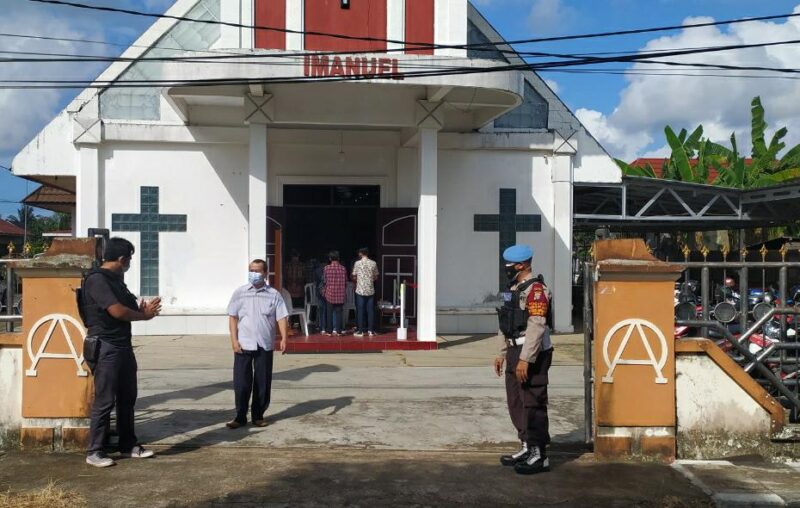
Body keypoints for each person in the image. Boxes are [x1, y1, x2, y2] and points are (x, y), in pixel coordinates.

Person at [80, 237, 162, 468]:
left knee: (127, 398)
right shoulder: (97, 279)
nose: (129, 264)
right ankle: (94, 451)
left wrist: (143, 310)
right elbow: (117, 311)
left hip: (122, 345)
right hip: (106, 345)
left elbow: (128, 308)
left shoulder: (117, 281)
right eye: (129, 259)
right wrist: (143, 316)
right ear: (121, 258)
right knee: (104, 401)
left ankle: (128, 445)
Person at [494, 244, 553, 475]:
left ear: (521, 265)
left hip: (532, 353)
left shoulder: (536, 290)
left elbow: (537, 325)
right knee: (516, 401)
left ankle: (540, 454)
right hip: (513, 350)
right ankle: (527, 446)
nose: (506, 269)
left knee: (533, 401)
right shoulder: (512, 288)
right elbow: (504, 323)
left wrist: (526, 359)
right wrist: (501, 353)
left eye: (509, 266)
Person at [226, 259, 289, 429]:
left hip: (264, 344)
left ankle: (258, 415)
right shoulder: (240, 293)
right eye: (251, 270)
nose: (254, 274)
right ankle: (240, 416)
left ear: (265, 273)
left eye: (258, 270)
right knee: (241, 382)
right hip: (243, 344)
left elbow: (281, 317)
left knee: (262, 381)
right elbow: (233, 317)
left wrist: (284, 338)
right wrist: (234, 340)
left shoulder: (274, 294)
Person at [351, 247, 379, 337]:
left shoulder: (357, 263)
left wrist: (358, 280)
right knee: (370, 311)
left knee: (360, 310)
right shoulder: (373, 263)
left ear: (360, 253)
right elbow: (376, 276)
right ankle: (370, 330)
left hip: (360, 290)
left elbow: (354, 275)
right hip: (370, 290)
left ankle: (360, 331)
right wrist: (369, 280)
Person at [322, 250, 347, 336]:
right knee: (339, 312)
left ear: (330, 258)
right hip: (340, 293)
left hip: (330, 293)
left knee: (329, 312)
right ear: (338, 258)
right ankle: (339, 331)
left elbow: (324, 281)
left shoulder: (326, 268)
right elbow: (345, 282)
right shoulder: (343, 268)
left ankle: (329, 331)